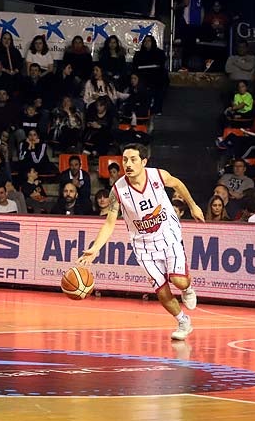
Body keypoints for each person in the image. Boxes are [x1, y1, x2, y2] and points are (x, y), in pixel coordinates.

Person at [79, 144, 205, 341]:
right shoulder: (117, 191)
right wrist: (95, 248)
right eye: (125, 160)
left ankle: (187, 289)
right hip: (142, 246)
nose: (128, 164)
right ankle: (183, 321)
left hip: (168, 234)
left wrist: (193, 205)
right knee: (162, 291)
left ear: (143, 162)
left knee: (178, 280)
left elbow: (178, 184)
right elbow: (109, 223)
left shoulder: (158, 176)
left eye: (133, 160)